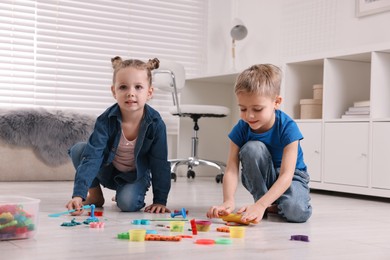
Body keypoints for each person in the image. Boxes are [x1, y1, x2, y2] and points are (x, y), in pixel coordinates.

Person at [207, 64, 312, 223]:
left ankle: (268, 204)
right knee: (251, 148)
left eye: (257, 109)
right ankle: (265, 202)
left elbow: (286, 175)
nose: (249, 116)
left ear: (276, 102)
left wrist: (261, 204)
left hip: (291, 177)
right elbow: (232, 169)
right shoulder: (241, 129)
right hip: (264, 177)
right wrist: (228, 201)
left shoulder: (288, 127)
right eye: (243, 109)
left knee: (295, 212)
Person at [65, 56, 171, 215]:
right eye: (123, 87)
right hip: (108, 170)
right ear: (114, 91)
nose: (131, 93)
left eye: (138, 87)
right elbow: (93, 157)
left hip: (135, 175)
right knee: (79, 150)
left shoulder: (156, 124)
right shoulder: (105, 120)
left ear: (149, 92)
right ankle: (95, 195)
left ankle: (126, 191)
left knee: (128, 204)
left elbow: (160, 163)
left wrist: (160, 201)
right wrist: (78, 194)